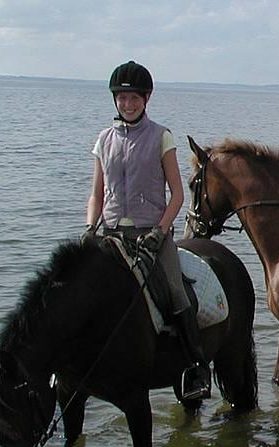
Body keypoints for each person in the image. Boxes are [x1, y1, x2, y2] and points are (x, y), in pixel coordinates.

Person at [83, 60, 210, 402]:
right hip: (109, 234)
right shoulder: (104, 139)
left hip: (151, 234)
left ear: (146, 97)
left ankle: (196, 367)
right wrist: (89, 227)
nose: (127, 104)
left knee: (174, 291)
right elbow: (96, 193)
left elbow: (178, 194)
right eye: (121, 98)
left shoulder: (161, 136)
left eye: (133, 97)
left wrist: (161, 229)